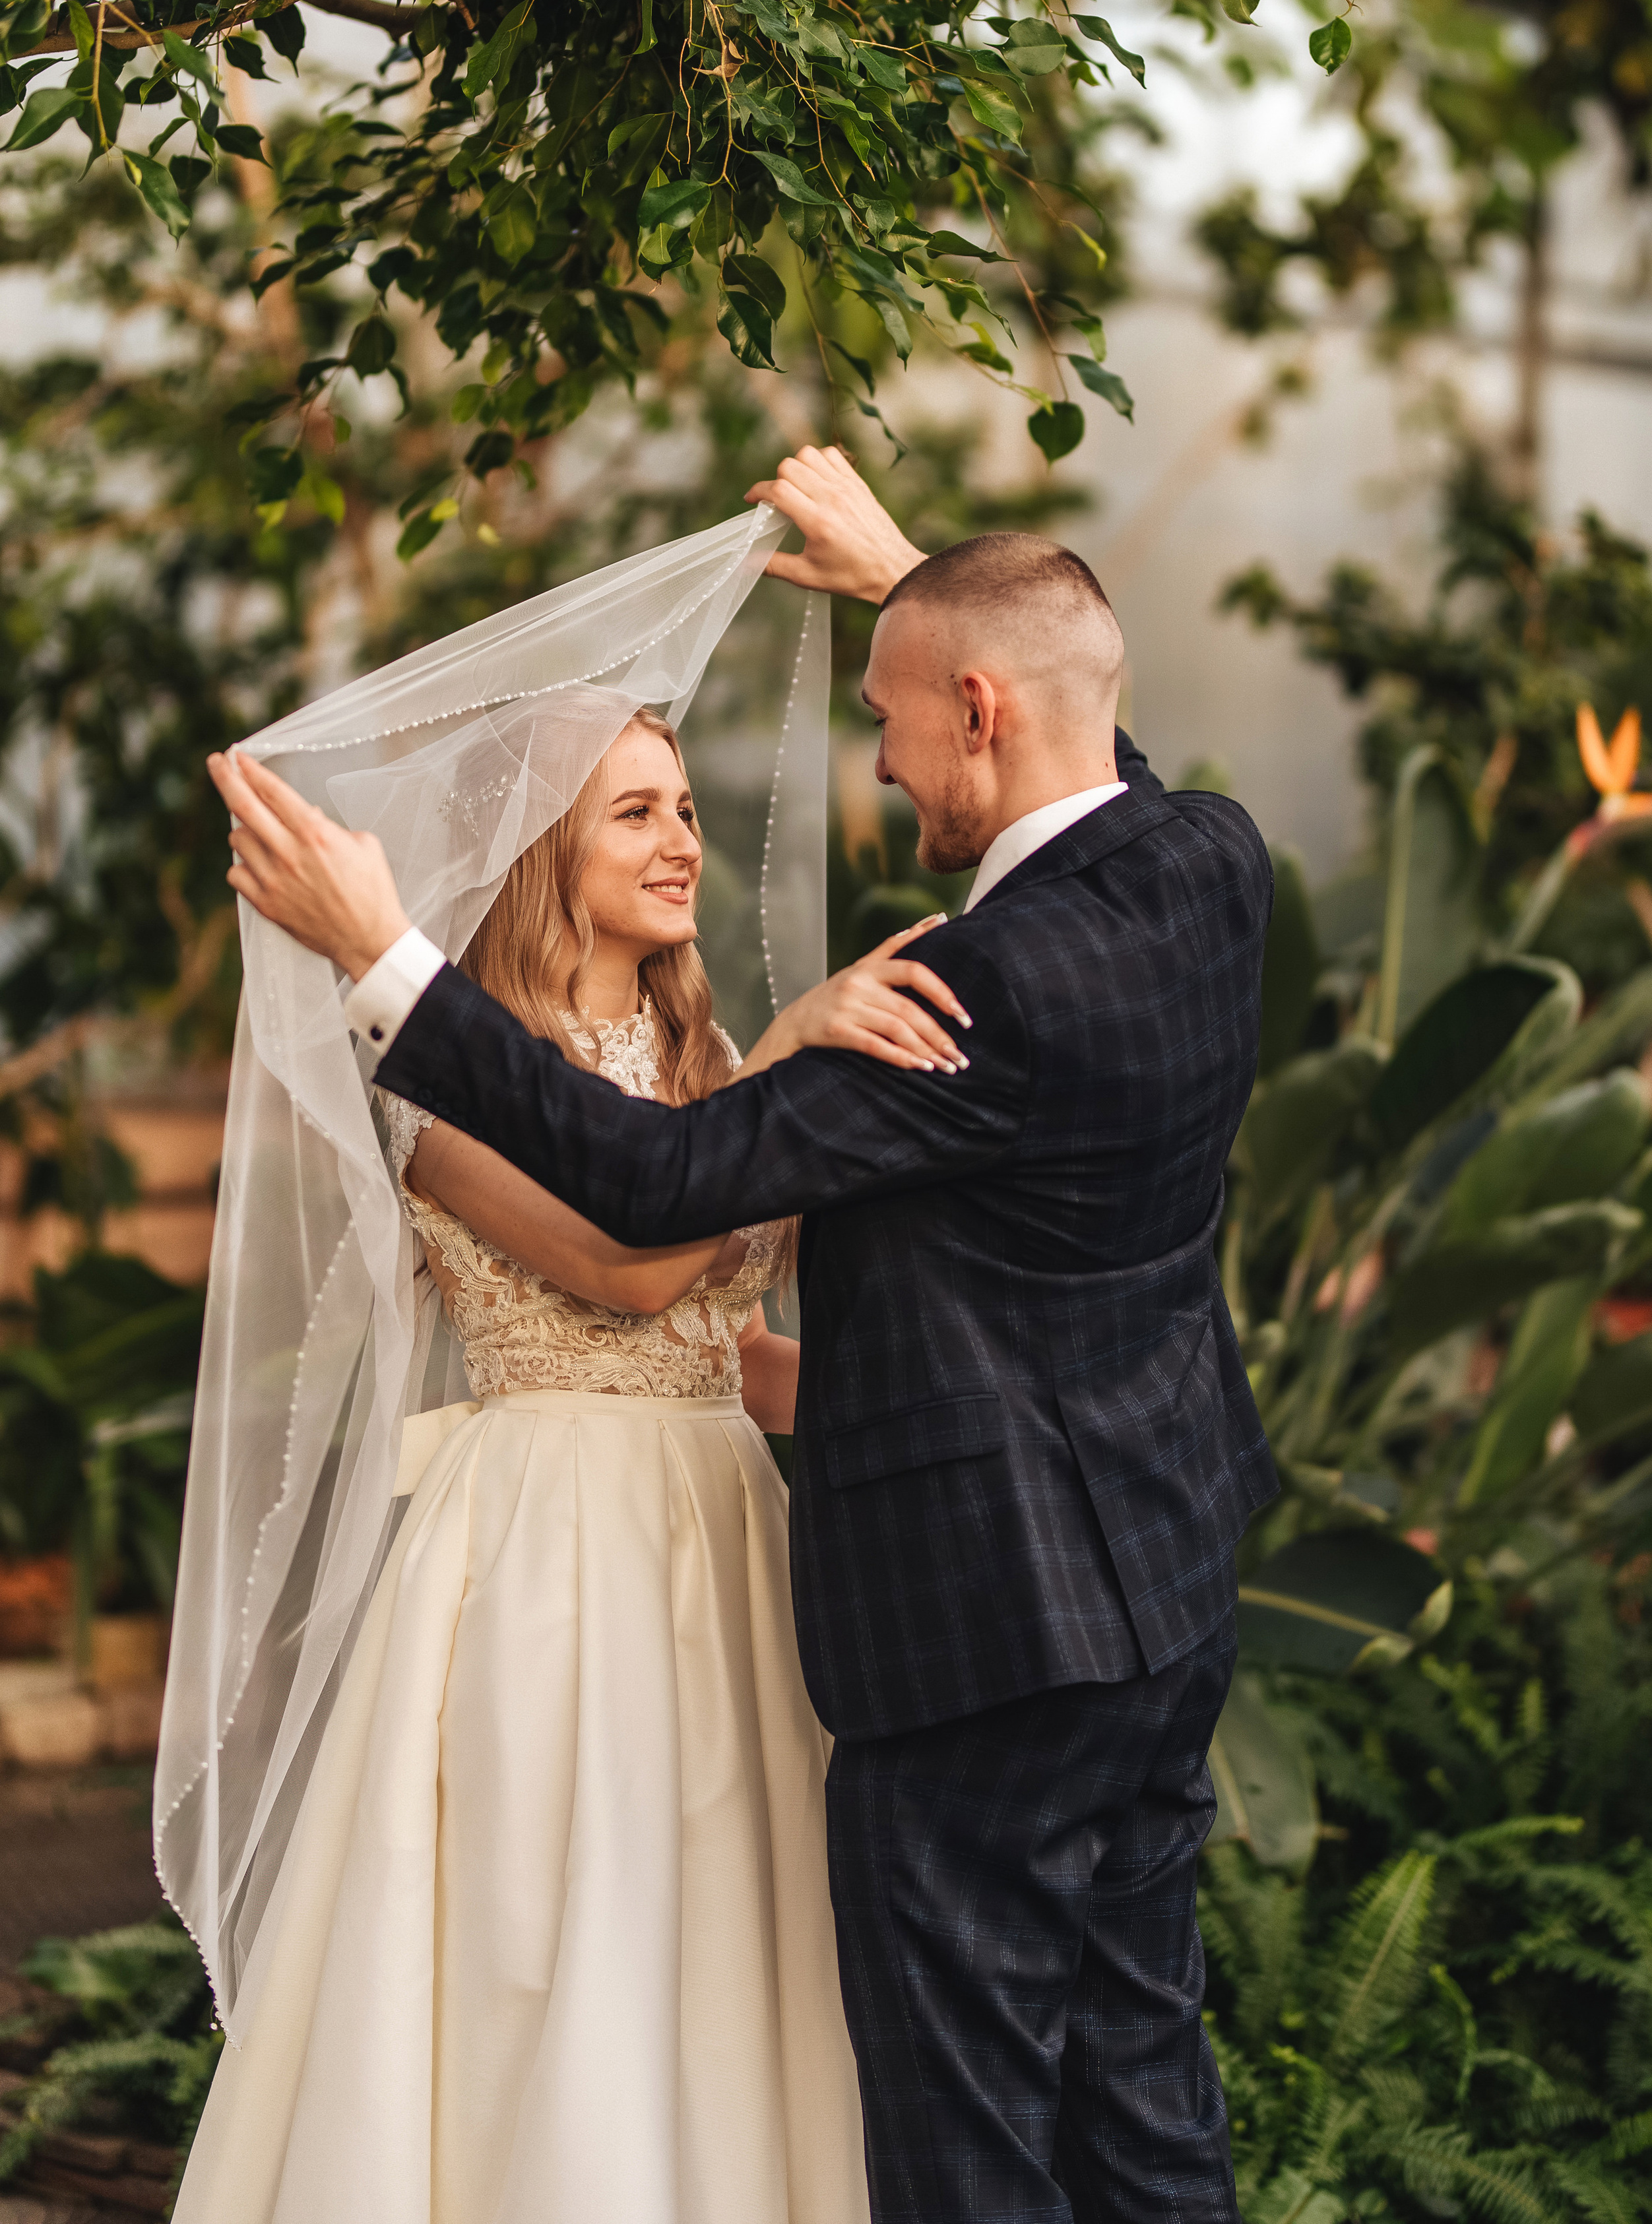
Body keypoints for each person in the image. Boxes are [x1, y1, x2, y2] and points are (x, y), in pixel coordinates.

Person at [209, 450, 1279, 2224]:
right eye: (632, 811)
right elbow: (1077, 743)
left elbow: (655, 1191)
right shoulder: (1208, 864)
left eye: (894, 716)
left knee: (973, 2141)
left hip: (989, 1631)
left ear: (976, 709)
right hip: (1158, 1595)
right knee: (1137, 2085)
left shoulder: (971, 990)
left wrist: (383, 955)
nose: (879, 758)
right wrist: (921, 595)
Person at [177, 699, 956, 2224]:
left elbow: (722, 1348)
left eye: (684, 808)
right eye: (633, 813)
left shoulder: (700, 1055)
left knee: (725, 1928)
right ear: (541, 851)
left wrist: (929, 1423)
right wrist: (792, 1055)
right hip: (550, 1547)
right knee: (560, 1923)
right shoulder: (439, 1079)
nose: (680, 844)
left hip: (723, 1535)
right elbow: (631, 1269)